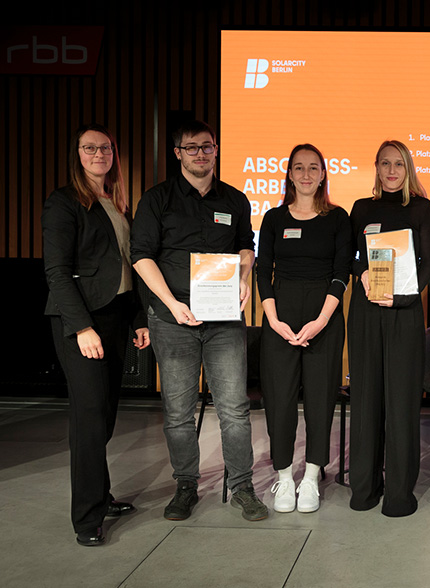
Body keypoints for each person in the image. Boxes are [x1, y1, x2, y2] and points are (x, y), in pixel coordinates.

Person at [130, 120, 268, 522]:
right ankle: (185, 485)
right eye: (191, 148)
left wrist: (244, 276)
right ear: (178, 153)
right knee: (177, 412)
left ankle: (242, 487)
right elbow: (141, 257)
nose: (200, 154)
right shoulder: (157, 200)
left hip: (224, 320)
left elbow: (246, 245)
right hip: (173, 319)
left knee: (234, 409)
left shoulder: (235, 199)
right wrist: (172, 305)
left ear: (216, 149)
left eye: (207, 147)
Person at [43, 123, 150, 546]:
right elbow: (56, 272)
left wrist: (138, 318)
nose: (98, 154)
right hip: (80, 322)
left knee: (104, 415)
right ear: (77, 154)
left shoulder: (116, 202)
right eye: (89, 148)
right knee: (88, 420)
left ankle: (101, 497)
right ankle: (87, 519)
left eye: (105, 147)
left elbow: (126, 267)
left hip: (114, 317)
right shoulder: (64, 202)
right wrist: (82, 326)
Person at [257, 144, 352, 514]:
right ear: (290, 174)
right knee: (279, 401)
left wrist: (322, 320)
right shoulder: (273, 218)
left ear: (324, 174)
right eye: (299, 168)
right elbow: (264, 271)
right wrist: (273, 319)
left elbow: (341, 273)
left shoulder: (338, 218)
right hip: (279, 316)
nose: (307, 174)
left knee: (319, 398)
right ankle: (284, 475)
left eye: (314, 168)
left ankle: (311, 475)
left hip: (324, 317)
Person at [347, 140, 430, 517]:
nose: (392, 171)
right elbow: (348, 256)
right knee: (365, 400)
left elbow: (428, 264)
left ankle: (399, 494)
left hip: (404, 312)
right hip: (366, 310)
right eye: (385, 164)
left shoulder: (420, 208)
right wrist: (362, 272)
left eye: (399, 164)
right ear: (377, 168)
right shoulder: (361, 209)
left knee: (400, 404)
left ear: (408, 168)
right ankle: (364, 490)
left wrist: (401, 299)